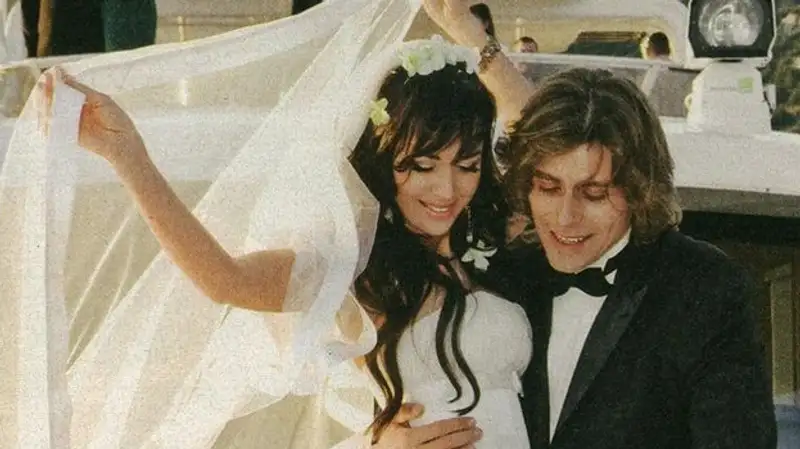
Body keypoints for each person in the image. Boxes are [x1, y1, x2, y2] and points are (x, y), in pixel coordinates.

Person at [40, 28, 535, 449]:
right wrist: (127, 155)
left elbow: (545, 137)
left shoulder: (491, 238)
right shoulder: (353, 264)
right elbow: (224, 279)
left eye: (467, 166)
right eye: (422, 166)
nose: (447, 190)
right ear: (385, 159)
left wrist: (470, 33)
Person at [376, 1, 778, 448]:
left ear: (639, 190)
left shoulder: (703, 289)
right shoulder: (502, 272)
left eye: (594, 193)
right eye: (548, 188)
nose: (566, 217)